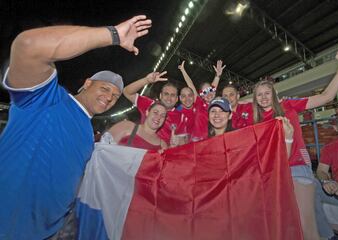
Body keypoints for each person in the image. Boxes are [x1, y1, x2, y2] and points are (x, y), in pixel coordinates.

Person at [0, 15, 152, 239]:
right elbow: (28, 46)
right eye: (105, 88)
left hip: (47, 233)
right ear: (88, 82)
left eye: (115, 95)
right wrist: (112, 35)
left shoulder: (88, 135)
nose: (109, 97)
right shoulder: (47, 98)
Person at [240, 49, 338, 240]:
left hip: (297, 168)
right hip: (272, 174)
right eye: (259, 95)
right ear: (255, 99)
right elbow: (231, 104)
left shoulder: (288, 105)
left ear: (275, 94)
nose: (264, 97)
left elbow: (326, 97)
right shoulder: (255, 118)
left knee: (306, 227)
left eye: (268, 93)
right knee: (287, 227)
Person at [123, 72, 187, 145]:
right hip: (139, 148)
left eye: (172, 95)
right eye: (166, 94)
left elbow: (183, 143)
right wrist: (146, 80)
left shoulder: (182, 118)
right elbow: (127, 92)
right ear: (160, 96)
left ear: (176, 99)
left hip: (162, 154)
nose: (169, 98)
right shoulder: (149, 104)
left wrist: (176, 145)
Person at [178, 60, 225, 141]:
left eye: (210, 90)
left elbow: (212, 88)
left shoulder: (219, 105)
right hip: (196, 142)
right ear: (201, 95)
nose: (209, 94)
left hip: (213, 141)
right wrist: (183, 70)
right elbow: (190, 84)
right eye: (205, 92)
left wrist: (217, 76)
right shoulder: (199, 103)